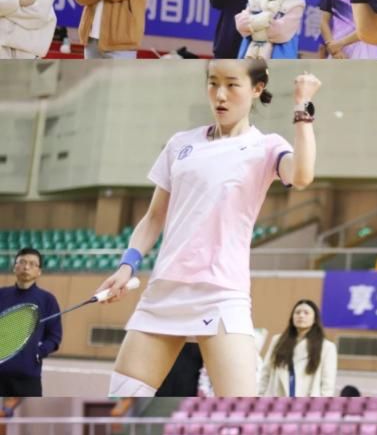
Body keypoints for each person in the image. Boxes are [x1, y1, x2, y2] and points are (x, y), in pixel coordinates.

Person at [92, 62, 318, 398]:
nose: (220, 95)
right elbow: (154, 217)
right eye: (213, 84)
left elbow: (302, 175)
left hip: (221, 292)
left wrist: (302, 105)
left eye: (232, 85)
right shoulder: (180, 144)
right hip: (165, 290)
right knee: (124, 398)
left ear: (257, 88)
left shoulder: (267, 146)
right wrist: (127, 265)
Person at [0, 244, 61, 399]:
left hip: (28, 378)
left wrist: (38, 352)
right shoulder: (2, 295)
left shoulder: (48, 300)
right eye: (22, 262)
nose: (26, 267)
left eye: (33, 264)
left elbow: (54, 337)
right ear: (14, 267)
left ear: (39, 271)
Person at [259, 299, 339, 397]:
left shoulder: (326, 347)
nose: (301, 316)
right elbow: (266, 372)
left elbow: (328, 384)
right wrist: (260, 396)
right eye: (297, 312)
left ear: (315, 319)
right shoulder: (278, 340)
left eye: (306, 313)